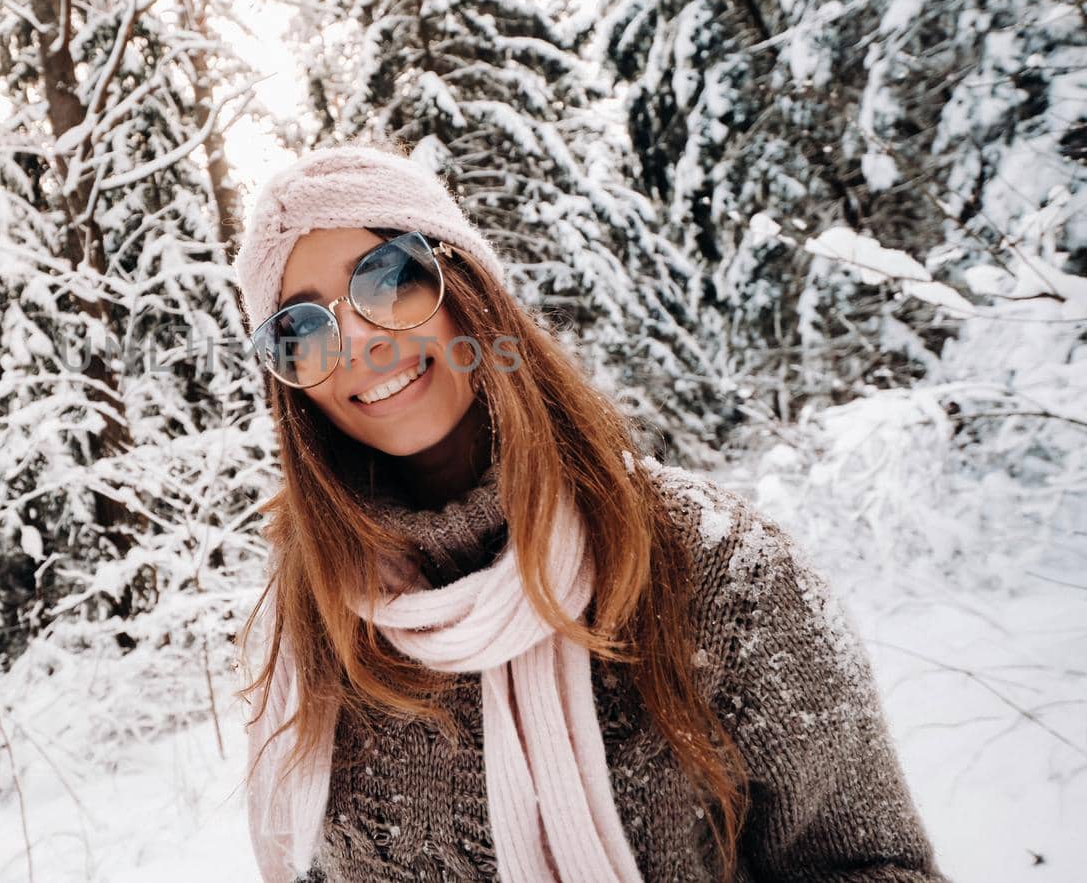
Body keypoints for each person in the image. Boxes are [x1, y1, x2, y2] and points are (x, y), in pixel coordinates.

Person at [228, 144, 947, 883]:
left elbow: (870, 865)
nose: (357, 341)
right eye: (301, 330)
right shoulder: (317, 621)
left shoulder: (716, 570)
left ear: (469, 284)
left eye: (390, 277)